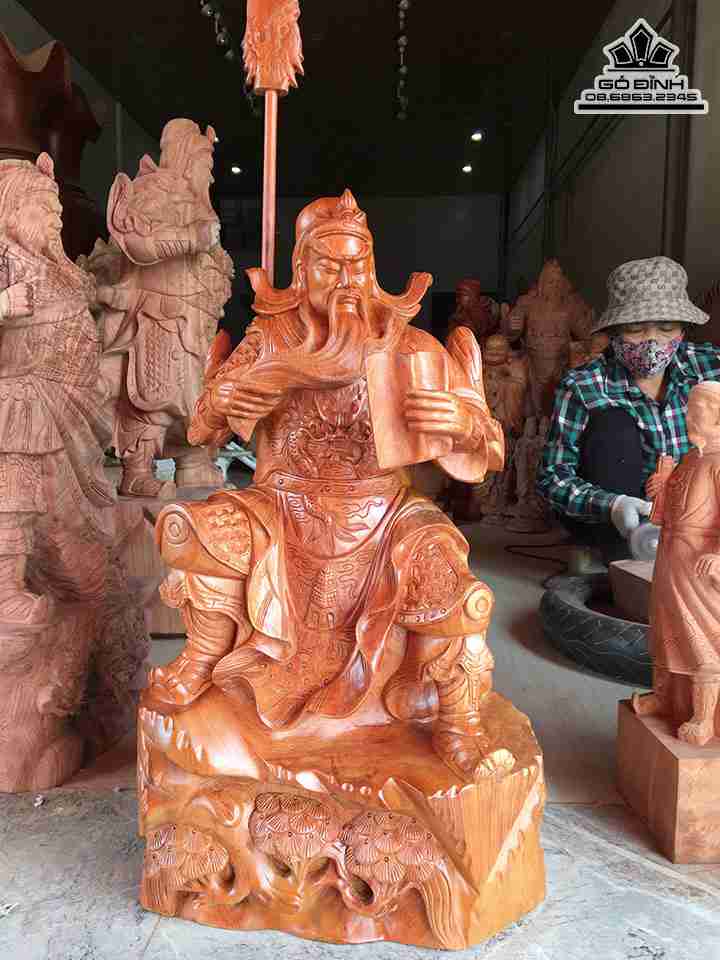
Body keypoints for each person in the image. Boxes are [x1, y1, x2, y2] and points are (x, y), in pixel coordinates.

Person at [145, 190, 507, 781]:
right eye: (329, 266)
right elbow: (201, 429)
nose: (346, 281)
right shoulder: (269, 341)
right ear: (300, 270)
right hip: (280, 508)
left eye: (357, 266)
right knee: (196, 532)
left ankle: (458, 722)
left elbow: (489, 450)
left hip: (385, 514)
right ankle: (203, 657)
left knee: (453, 582)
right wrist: (227, 400)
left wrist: (463, 424)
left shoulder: (409, 345)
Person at [537, 255, 719, 563]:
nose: (652, 340)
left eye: (666, 327)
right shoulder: (584, 385)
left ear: (683, 329)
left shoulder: (709, 367)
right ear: (614, 331)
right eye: (636, 329)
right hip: (624, 523)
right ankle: (613, 553)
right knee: (614, 426)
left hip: (699, 521)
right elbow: (552, 477)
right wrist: (612, 505)